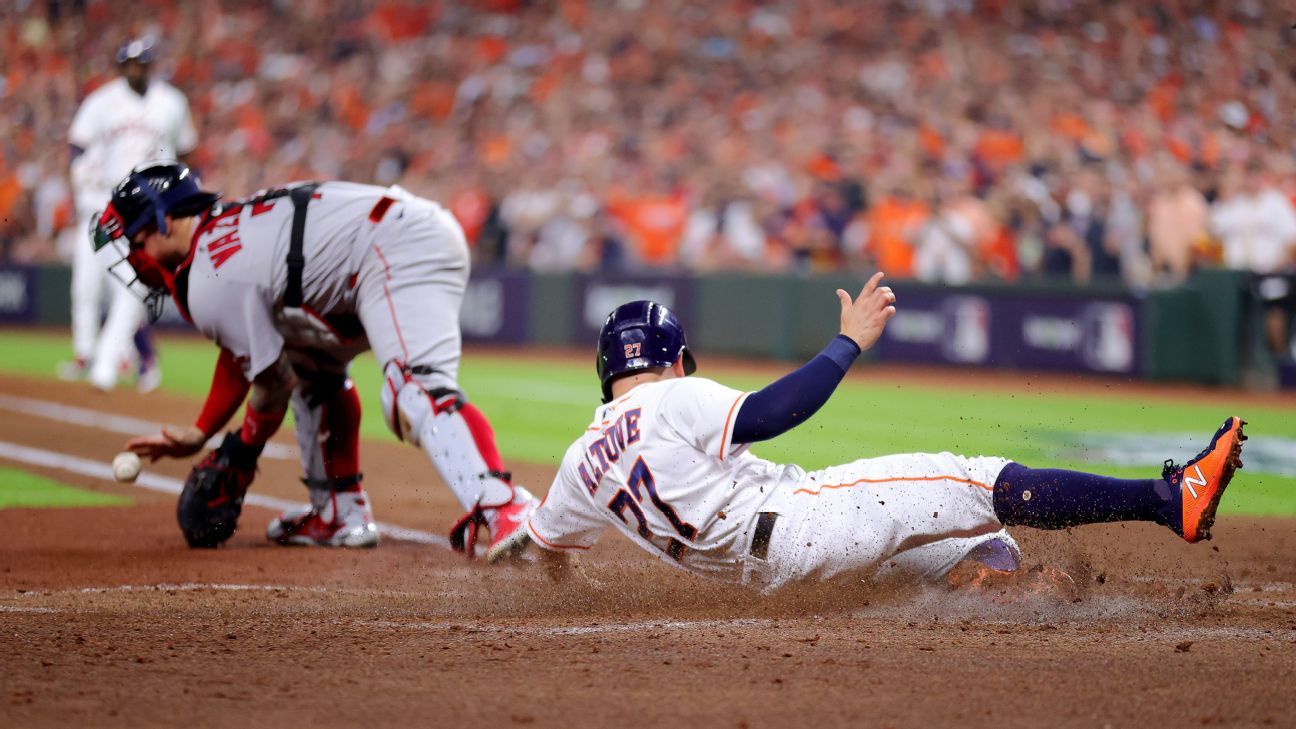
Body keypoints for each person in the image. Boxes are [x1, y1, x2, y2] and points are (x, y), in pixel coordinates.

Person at [497, 276, 1247, 591]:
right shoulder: (673, 397)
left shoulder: (578, 462)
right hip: (803, 523)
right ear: (674, 355)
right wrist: (846, 341)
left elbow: (548, 552)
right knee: (973, 478)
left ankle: (1012, 590)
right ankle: (1165, 497)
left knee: (976, 554)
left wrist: (533, 555)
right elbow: (770, 413)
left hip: (772, 578)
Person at [94, 161, 535, 554]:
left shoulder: (210, 271)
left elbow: (269, 383)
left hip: (396, 247)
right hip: (388, 244)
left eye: (137, 239)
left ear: (166, 220)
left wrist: (237, 449)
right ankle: (339, 513)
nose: (135, 257)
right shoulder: (219, 241)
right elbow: (248, 356)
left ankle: (502, 504)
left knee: (412, 391)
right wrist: (203, 432)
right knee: (313, 370)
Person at [64, 37, 195, 392]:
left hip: (148, 211)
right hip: (103, 207)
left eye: (143, 62)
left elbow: (186, 152)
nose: (137, 69)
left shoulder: (172, 102)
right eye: (131, 63)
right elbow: (77, 144)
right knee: (90, 287)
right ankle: (95, 355)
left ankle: (108, 363)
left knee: (134, 290)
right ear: (122, 66)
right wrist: (80, 177)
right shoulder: (102, 101)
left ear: (151, 64)